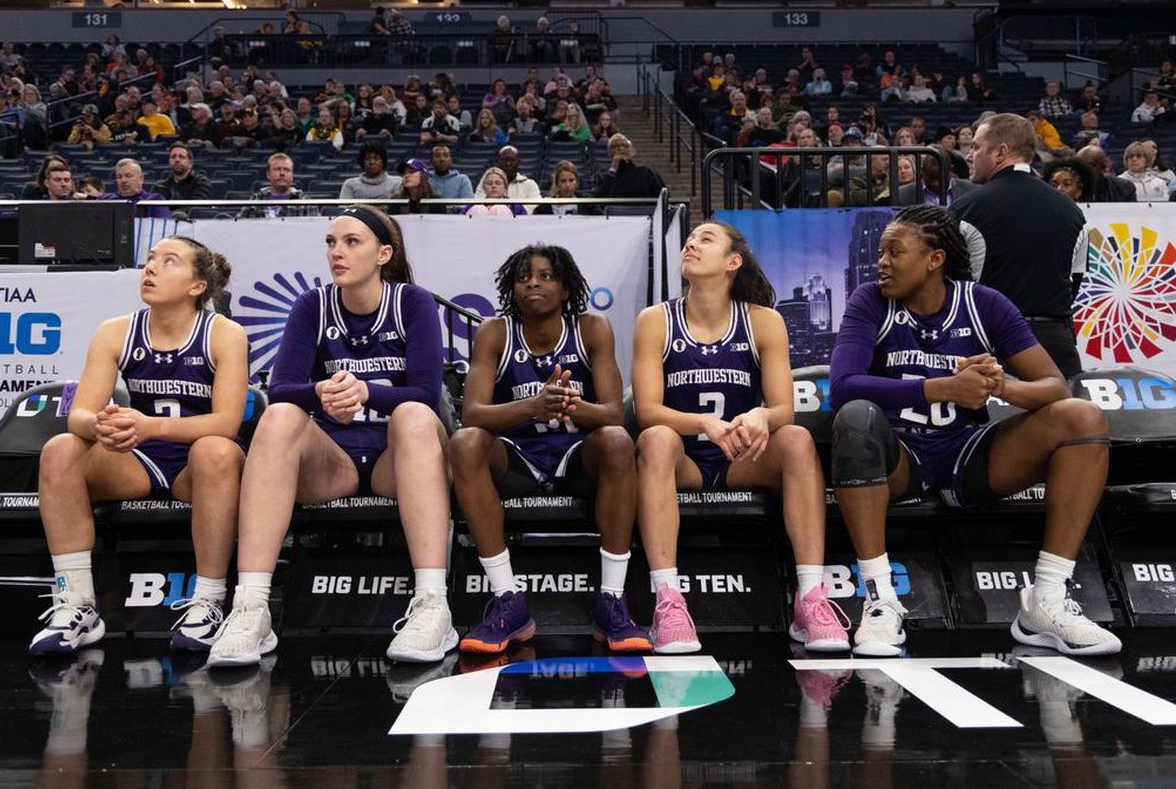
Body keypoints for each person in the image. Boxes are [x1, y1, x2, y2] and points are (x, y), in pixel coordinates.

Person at [828, 205, 1119, 658]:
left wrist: (1001, 384)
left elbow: (1055, 386)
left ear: (934, 259)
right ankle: (881, 601)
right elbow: (844, 387)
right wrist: (945, 387)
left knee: (1082, 416)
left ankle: (1045, 599)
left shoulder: (984, 302)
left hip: (969, 455)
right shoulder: (870, 301)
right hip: (902, 458)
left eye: (894, 252)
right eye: (881, 252)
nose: (881, 262)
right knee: (856, 418)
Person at [208, 207, 457, 668]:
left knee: (415, 416)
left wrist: (367, 392)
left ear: (384, 253)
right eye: (330, 242)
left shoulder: (413, 303)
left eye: (350, 242)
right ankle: (252, 607)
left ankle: (432, 604)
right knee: (280, 414)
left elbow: (426, 392)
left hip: (396, 463)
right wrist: (320, 392)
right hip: (334, 464)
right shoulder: (312, 305)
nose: (336, 252)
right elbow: (280, 387)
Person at [632, 222, 846, 654]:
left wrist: (761, 416)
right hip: (684, 460)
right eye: (690, 239)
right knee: (655, 437)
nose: (691, 243)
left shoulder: (764, 321)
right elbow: (647, 410)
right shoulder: (656, 320)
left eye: (705, 239)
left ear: (733, 262)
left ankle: (811, 598)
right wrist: (703, 424)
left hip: (740, 459)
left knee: (797, 440)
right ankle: (668, 602)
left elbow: (784, 407)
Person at [29, 237, 248, 655]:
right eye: (149, 261)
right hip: (138, 456)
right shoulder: (115, 330)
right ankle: (76, 603)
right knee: (61, 448)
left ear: (197, 286)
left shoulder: (224, 333)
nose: (150, 269)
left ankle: (209, 601)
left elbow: (226, 422)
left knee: (215, 449)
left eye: (169, 263)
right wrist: (102, 426)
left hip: (197, 464)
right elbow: (78, 414)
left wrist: (151, 427)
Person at [451, 245, 649, 653]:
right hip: (517, 456)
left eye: (545, 276)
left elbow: (613, 413)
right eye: (524, 276)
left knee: (617, 441)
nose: (533, 283)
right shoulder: (495, 332)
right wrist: (534, 405)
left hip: (577, 455)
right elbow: (471, 414)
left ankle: (612, 599)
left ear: (565, 288)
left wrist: (570, 405)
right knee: (465, 442)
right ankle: (508, 600)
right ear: (512, 286)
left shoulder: (592, 328)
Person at [952, 114, 1086, 377]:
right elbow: (1074, 284)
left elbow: (950, 287)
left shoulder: (966, 208)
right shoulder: (1072, 212)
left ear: (1001, 151)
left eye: (977, 147)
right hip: (1057, 350)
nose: (969, 156)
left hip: (990, 346)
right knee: (1067, 418)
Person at [240, 153, 316, 218]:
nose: (282, 173)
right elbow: (238, 228)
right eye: (277, 169)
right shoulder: (256, 199)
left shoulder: (305, 201)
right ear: (268, 174)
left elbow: (317, 231)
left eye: (286, 170)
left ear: (292, 175)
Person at [593, 134, 666, 201]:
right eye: (614, 146)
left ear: (632, 151)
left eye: (624, 145)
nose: (620, 149)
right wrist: (613, 169)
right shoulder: (602, 177)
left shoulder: (646, 173)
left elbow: (664, 199)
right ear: (609, 154)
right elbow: (599, 203)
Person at [475, 146, 541, 213]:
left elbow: (536, 208)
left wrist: (511, 210)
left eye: (512, 160)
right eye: (504, 160)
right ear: (498, 162)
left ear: (519, 162)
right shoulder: (486, 182)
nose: (508, 163)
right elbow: (478, 205)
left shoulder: (530, 184)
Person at [100, 158, 170, 219]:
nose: (123, 180)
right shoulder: (105, 200)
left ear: (141, 178)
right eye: (119, 177)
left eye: (128, 176)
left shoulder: (155, 200)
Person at [534, 160, 600, 216]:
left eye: (571, 180)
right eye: (563, 181)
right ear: (557, 183)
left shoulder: (589, 205)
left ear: (576, 182)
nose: (567, 185)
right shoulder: (544, 208)